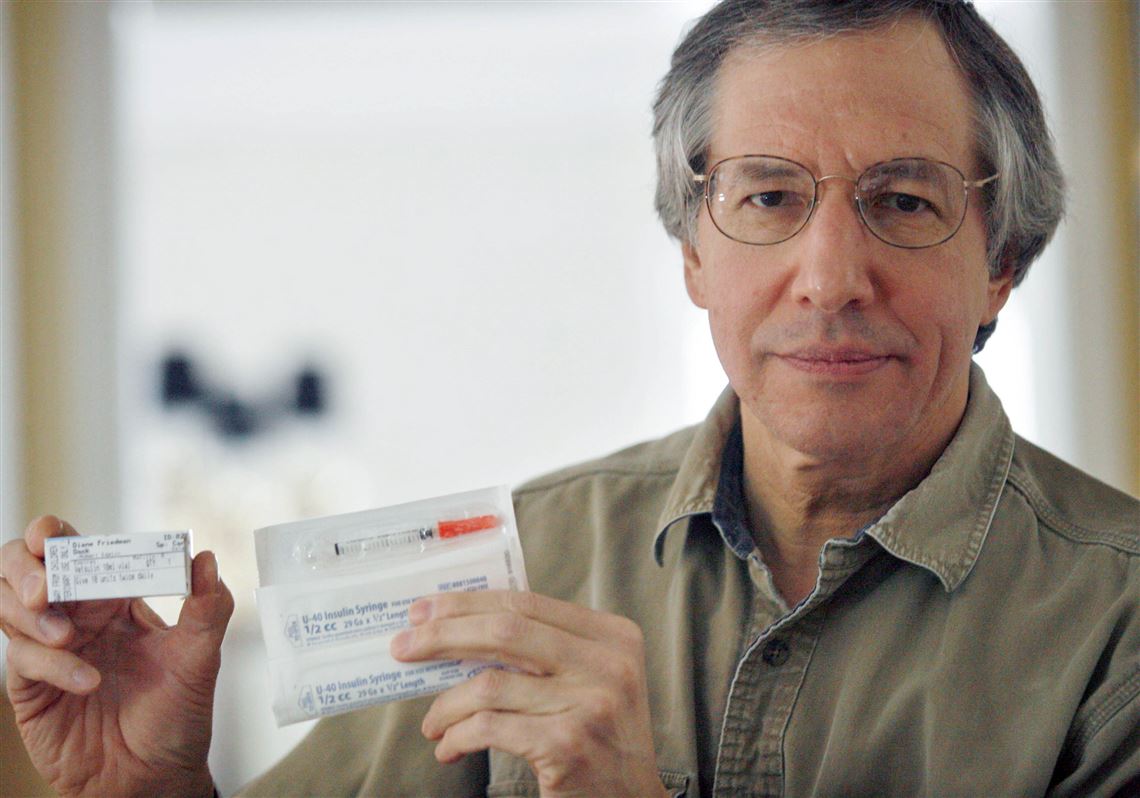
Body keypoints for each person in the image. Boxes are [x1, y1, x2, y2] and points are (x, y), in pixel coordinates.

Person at [2, 0, 1137, 795]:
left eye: (903, 201)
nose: (832, 277)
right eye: (768, 196)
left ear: (1003, 261)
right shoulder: (524, 559)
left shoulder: (1117, 631)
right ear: (693, 252)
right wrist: (150, 787)